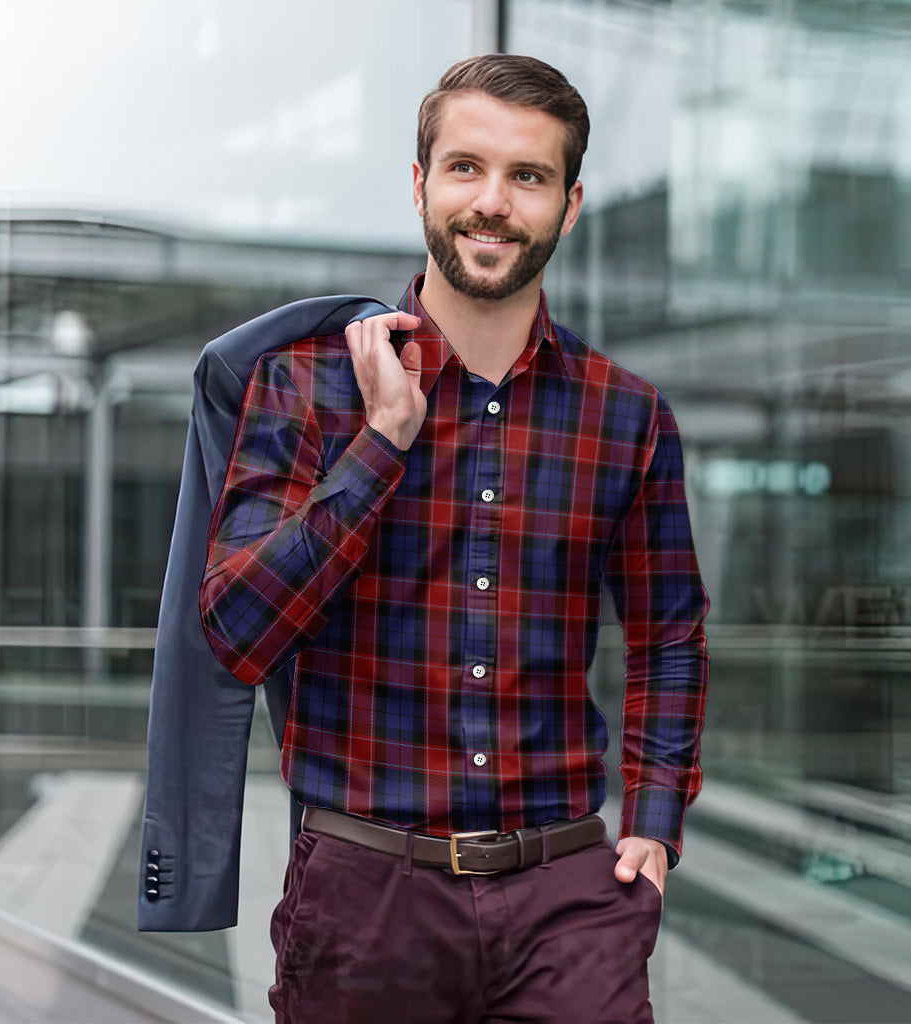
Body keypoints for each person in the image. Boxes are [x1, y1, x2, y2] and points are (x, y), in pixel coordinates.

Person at [199, 53, 709, 1024]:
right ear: (421, 182)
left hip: (568, 897)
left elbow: (669, 634)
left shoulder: (625, 416)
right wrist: (382, 441)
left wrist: (651, 823)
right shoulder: (306, 387)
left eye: (529, 176)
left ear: (570, 203)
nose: (493, 201)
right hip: (366, 898)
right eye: (466, 167)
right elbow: (235, 632)